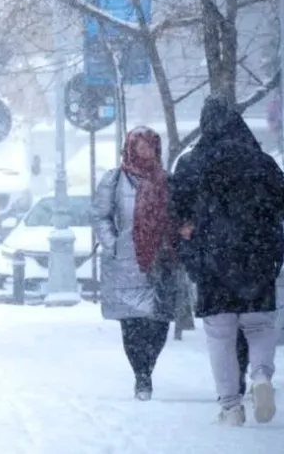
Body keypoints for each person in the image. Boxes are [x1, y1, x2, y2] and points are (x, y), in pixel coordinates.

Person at [172, 96, 284, 426]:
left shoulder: (191, 163)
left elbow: (177, 213)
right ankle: (260, 378)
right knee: (259, 327)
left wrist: (191, 231)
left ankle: (230, 407)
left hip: (213, 260)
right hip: (259, 257)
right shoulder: (260, 161)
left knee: (220, 333)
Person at [91, 127, 180, 401]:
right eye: (140, 147)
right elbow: (101, 216)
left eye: (150, 147)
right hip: (126, 263)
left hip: (161, 261)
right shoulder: (115, 180)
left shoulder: (167, 182)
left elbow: (177, 216)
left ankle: (148, 365)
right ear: (129, 148)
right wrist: (113, 243)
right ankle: (141, 375)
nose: (146, 152)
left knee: (159, 322)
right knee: (132, 324)